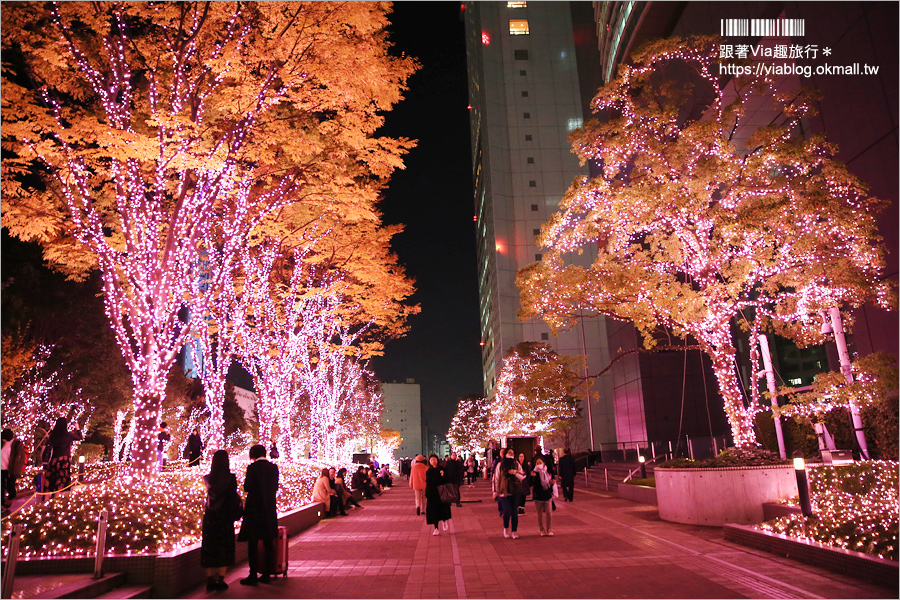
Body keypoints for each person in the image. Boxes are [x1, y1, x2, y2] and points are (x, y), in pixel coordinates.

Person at [237, 444, 279, 586]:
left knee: (252, 543)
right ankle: (267, 574)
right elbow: (275, 487)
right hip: (269, 508)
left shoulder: (252, 468)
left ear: (253, 454)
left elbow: (247, 487)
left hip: (254, 509)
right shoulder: (273, 468)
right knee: (268, 543)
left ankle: (253, 574)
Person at [201, 450, 239, 592]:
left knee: (209, 546)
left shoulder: (208, 479)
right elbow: (232, 496)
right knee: (224, 547)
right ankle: (220, 579)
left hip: (210, 516)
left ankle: (210, 580)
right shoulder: (231, 479)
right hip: (225, 516)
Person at [45, 417, 82, 498]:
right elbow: (80, 437)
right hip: (64, 461)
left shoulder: (53, 435)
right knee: (61, 479)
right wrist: (77, 428)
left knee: (52, 477)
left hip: (54, 460)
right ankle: (56, 498)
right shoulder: (68, 435)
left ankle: (46, 499)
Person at [492, 448, 525, 539]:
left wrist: (514, 472)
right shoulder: (500, 465)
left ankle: (514, 531)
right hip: (504, 491)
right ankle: (506, 528)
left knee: (514, 512)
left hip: (515, 491)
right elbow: (496, 478)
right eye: (509, 452)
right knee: (507, 511)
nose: (511, 454)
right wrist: (495, 491)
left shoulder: (516, 464)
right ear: (505, 454)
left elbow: (522, 476)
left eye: (513, 452)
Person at [424, 454, 451, 535]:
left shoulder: (442, 469)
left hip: (441, 492)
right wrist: (427, 493)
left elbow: (447, 480)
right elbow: (428, 483)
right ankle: (436, 528)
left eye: (434, 459)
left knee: (443, 509)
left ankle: (444, 521)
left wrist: (443, 475)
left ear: (437, 460)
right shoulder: (429, 471)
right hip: (432, 493)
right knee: (433, 511)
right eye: (431, 460)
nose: (433, 461)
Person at [1, 429, 27, 511]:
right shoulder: (2, 443)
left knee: (10, 487)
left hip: (11, 469)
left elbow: (19, 459)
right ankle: (1, 504)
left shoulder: (16, 444)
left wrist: (16, 470)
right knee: (1, 487)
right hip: (1, 468)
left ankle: (11, 497)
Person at [530, 456, 554, 536]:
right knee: (539, 514)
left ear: (544, 463)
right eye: (537, 463)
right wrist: (532, 477)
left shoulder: (547, 471)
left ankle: (549, 529)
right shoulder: (534, 472)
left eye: (540, 463)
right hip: (538, 496)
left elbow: (550, 481)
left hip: (547, 495)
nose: (539, 464)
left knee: (549, 513)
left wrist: (551, 483)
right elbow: (530, 484)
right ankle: (542, 530)